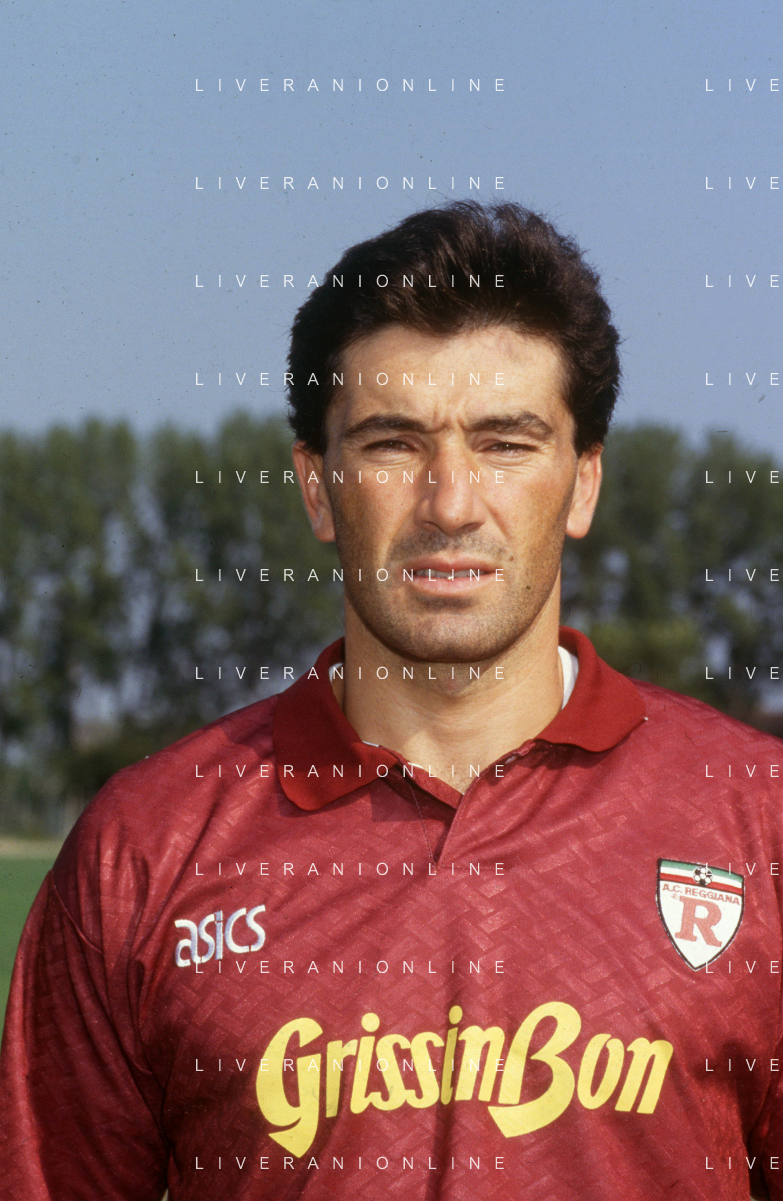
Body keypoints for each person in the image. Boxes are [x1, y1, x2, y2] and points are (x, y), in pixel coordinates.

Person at [1, 201, 780, 1201]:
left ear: (583, 483)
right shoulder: (144, 852)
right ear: (316, 487)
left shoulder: (756, 820)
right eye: (392, 444)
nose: (450, 502)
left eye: (505, 443)